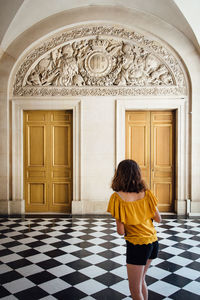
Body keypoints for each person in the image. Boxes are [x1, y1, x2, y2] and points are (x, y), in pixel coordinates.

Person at [107, 159, 162, 300]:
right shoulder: (147, 194)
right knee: (141, 281)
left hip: (137, 245)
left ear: (119, 175)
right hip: (153, 242)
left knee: (135, 289)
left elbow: (120, 231)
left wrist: (131, 220)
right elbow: (158, 219)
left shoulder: (117, 198)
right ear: (138, 174)